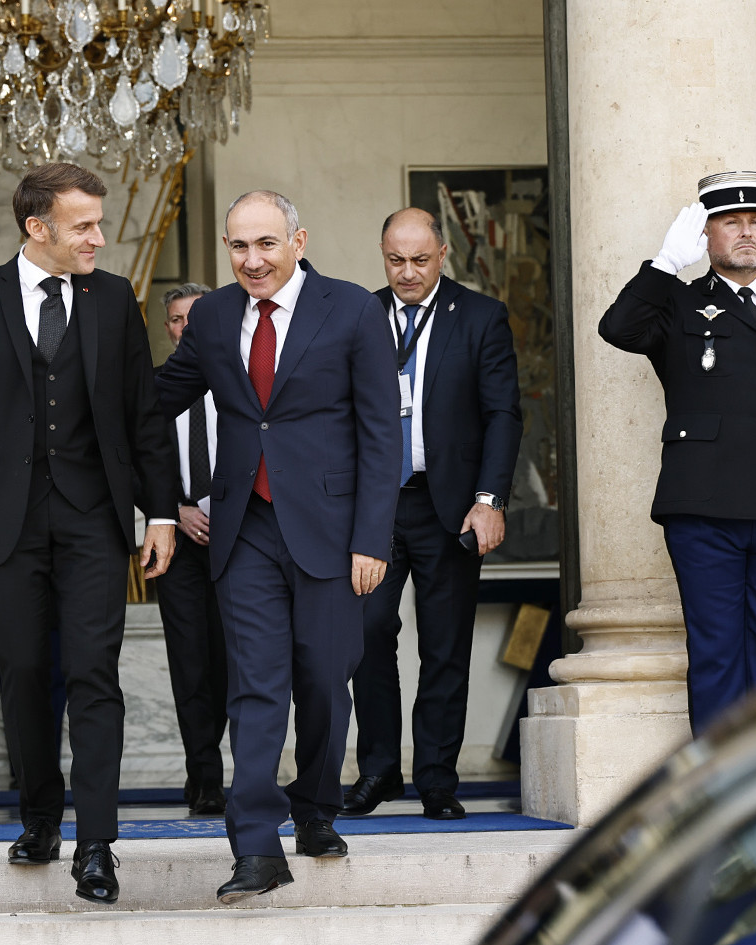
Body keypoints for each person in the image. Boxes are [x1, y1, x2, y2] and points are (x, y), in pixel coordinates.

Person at [0, 163, 179, 905]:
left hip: (95, 518)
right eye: (83, 225)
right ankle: (39, 817)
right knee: (25, 672)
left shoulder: (114, 298)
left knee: (95, 674)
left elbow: (143, 416)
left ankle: (96, 844)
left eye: (98, 222)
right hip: (4, 520)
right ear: (38, 228)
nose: (99, 237)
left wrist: (161, 513)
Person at [155, 190, 402, 903]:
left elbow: (382, 432)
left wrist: (371, 538)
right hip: (245, 529)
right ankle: (257, 845)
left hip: (332, 532)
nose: (252, 260)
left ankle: (316, 805)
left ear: (298, 240)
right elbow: (157, 399)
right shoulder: (211, 315)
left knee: (323, 681)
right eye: (239, 246)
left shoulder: (351, 308)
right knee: (255, 687)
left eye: (266, 243)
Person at [599, 171, 756, 733]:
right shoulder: (678, 302)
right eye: (730, 222)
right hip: (704, 509)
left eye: (755, 222)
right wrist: (665, 264)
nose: (746, 233)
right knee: (715, 652)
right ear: (706, 235)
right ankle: (717, 780)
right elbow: (618, 329)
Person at [344, 208, 522, 821]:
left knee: (444, 645)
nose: (407, 272)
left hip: (450, 506)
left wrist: (490, 499)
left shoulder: (480, 316)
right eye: (395, 260)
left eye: (420, 260)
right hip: (374, 506)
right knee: (367, 633)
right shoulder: (360, 315)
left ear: (443, 255)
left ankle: (437, 780)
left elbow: (503, 414)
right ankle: (378, 770)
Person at [153, 281, 230, 816]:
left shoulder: (239, 380)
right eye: (178, 319)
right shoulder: (152, 387)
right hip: (177, 545)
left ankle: (218, 766)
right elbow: (134, 463)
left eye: (196, 316)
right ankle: (204, 777)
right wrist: (173, 510)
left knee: (229, 664)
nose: (187, 327)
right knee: (189, 664)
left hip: (238, 543)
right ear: (169, 329)